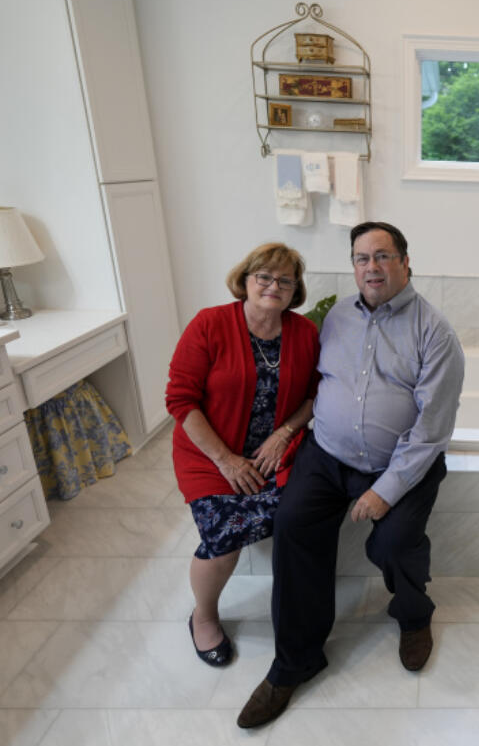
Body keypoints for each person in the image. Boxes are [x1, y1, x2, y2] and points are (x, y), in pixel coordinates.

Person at [237, 222, 464, 729]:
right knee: (294, 526)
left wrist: (385, 492)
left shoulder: (434, 331)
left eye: (383, 256)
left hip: (400, 462)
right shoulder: (338, 316)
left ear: (406, 263)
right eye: (362, 258)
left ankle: (413, 614)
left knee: (392, 543)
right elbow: (319, 386)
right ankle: (295, 661)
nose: (372, 267)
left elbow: (431, 432)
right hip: (328, 453)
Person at [165, 242, 320, 668]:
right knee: (226, 536)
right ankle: (204, 615)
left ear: (295, 290)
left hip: (278, 454)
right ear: (245, 281)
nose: (273, 286)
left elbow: (315, 394)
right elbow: (181, 401)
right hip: (210, 455)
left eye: (284, 280)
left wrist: (285, 433)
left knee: (306, 508)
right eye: (264, 277)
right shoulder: (210, 324)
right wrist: (226, 460)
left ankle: (297, 608)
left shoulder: (304, 334)